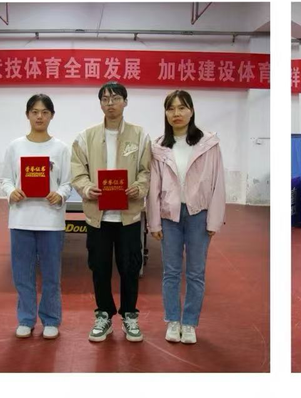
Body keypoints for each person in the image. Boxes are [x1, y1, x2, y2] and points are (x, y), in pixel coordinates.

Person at [71, 81, 152, 342]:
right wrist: (86, 188)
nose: (110, 103)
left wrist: (139, 187)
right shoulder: (86, 136)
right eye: (105, 99)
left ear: (125, 102)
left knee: (130, 267)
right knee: (99, 267)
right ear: (100, 104)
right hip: (98, 216)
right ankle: (104, 314)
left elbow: (146, 170)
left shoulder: (140, 135)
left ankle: (129, 315)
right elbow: (78, 170)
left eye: (116, 98)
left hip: (129, 215)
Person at [148, 89, 226, 345]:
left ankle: (190, 323)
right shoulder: (159, 146)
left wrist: (214, 219)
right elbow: (153, 186)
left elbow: (218, 183)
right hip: (169, 215)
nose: (176, 113)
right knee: (171, 272)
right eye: (171, 108)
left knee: (195, 272)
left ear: (191, 111)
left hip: (198, 214)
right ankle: (173, 320)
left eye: (182, 107)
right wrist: (154, 221)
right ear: (166, 113)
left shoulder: (208, 144)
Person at [0, 93, 72, 339]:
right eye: (35, 112)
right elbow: (6, 179)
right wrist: (11, 191)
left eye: (44, 112)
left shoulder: (61, 148)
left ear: (52, 116)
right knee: (22, 273)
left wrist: (59, 195)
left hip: (51, 220)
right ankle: (26, 318)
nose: (39, 116)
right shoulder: (15, 146)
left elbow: (68, 182)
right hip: (21, 219)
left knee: (51, 274)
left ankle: (51, 319)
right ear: (27, 115)